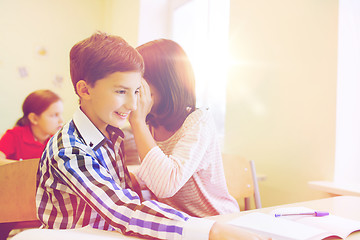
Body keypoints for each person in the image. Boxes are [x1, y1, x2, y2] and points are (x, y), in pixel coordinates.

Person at [35, 32, 269, 240]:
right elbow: (121, 208)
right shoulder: (70, 150)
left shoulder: (111, 135)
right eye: (120, 91)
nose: (133, 103)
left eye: (137, 91)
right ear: (85, 90)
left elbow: (127, 193)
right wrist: (211, 231)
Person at [129, 39, 240, 218]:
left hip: (216, 220)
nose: (134, 88)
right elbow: (153, 171)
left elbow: (166, 183)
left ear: (165, 81)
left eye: (140, 80)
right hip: (182, 224)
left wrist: (138, 123)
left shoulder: (198, 121)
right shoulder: (152, 125)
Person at [0, 89, 63, 163]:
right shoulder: (14, 135)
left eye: (61, 114)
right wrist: (23, 166)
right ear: (34, 119)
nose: (61, 120)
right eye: (55, 115)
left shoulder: (57, 141)